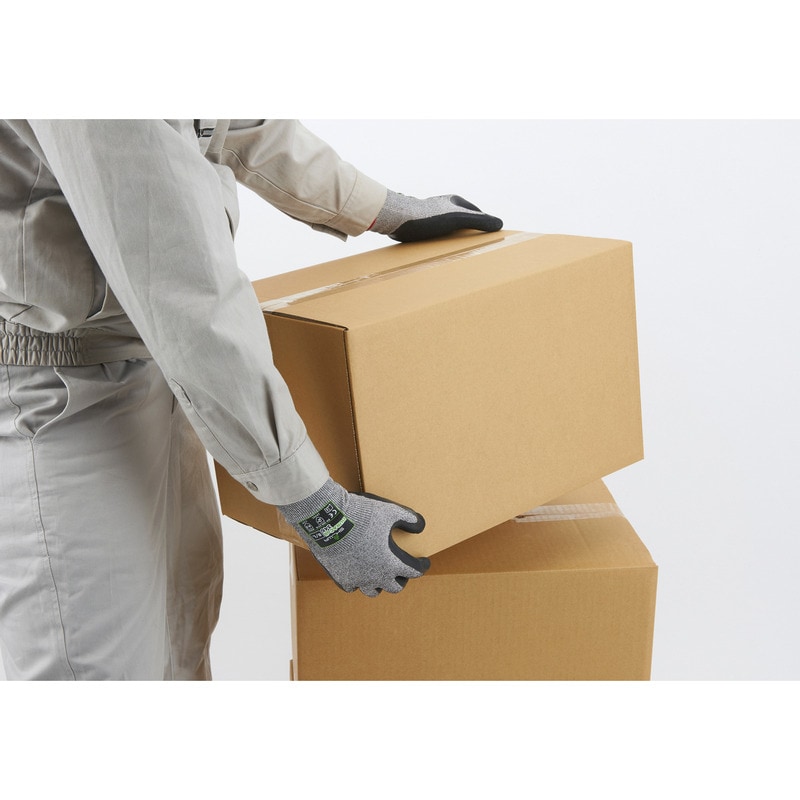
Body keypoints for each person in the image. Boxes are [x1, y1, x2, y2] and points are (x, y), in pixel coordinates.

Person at [0, 119, 503, 681]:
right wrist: (319, 510)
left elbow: (228, 119)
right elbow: (180, 283)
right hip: (62, 400)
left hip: (157, 372)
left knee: (181, 653)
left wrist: (375, 206)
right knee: (98, 674)